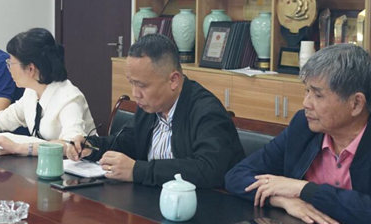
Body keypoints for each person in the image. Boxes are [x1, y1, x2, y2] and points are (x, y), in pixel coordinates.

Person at [225, 44, 371, 224]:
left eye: (317, 95)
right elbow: (237, 175)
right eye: (306, 91)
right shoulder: (303, 126)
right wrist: (282, 200)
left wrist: (303, 189)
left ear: (356, 103)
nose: (306, 103)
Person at [66, 34, 243, 189]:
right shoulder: (151, 107)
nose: (135, 94)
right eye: (131, 83)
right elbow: (127, 142)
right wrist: (92, 147)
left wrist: (137, 171)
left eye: (142, 85)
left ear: (173, 80)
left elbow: (208, 170)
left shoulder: (206, 112)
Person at [0, 27, 95, 156]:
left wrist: (19, 148)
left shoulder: (69, 98)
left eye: (11, 63)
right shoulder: (32, 92)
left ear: (30, 69)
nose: (8, 68)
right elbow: (1, 120)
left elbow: (71, 145)